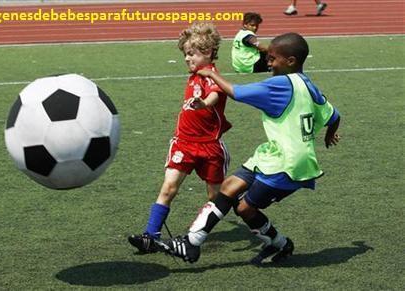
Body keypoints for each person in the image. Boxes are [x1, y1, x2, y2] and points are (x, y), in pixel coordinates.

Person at [161, 32, 341, 265]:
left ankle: (280, 243)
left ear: (291, 61)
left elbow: (236, 92)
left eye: (272, 58)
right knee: (228, 188)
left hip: (289, 165)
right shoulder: (308, 85)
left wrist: (211, 74)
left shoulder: (280, 84)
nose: (267, 61)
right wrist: (330, 133)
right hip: (272, 154)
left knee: (245, 208)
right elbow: (334, 115)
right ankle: (191, 243)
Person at [128, 22, 232, 254]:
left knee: (216, 198)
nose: (187, 58)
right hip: (183, 143)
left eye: (191, 54)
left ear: (207, 53)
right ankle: (151, 235)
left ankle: (198, 234)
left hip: (210, 147)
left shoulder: (212, 75)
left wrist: (203, 103)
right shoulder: (196, 74)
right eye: (185, 54)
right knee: (168, 188)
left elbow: (216, 94)